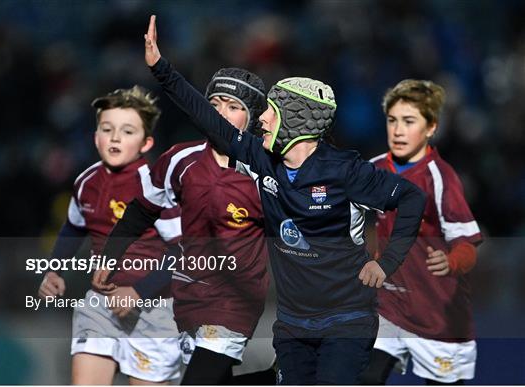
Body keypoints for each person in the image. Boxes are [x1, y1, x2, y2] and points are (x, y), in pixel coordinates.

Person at [134, 15, 426, 385]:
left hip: (346, 321)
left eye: (271, 113)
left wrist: (388, 263)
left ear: (296, 120)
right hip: (292, 326)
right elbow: (209, 119)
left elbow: (412, 197)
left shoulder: (345, 171)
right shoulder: (261, 160)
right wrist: (161, 69)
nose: (262, 121)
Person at [93, 67, 273, 384]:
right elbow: (140, 211)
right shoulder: (180, 158)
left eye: (233, 107)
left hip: (234, 300)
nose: (220, 114)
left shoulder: (264, 174)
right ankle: (280, 378)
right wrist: (110, 258)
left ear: (252, 119)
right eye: (215, 104)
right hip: (188, 297)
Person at [37, 86, 182, 385]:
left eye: (127, 131)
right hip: (100, 305)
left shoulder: (157, 188)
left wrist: (139, 291)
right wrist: (54, 268)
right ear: (96, 137)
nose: (115, 137)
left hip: (154, 308)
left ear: (146, 142)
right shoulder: (85, 181)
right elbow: (74, 226)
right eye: (107, 128)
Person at [359, 79, 483, 385]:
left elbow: (467, 244)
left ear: (430, 128)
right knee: (363, 376)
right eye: (392, 120)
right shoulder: (371, 171)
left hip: (437, 311)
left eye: (409, 121)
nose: (398, 130)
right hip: (387, 305)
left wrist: (451, 261)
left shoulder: (440, 178)